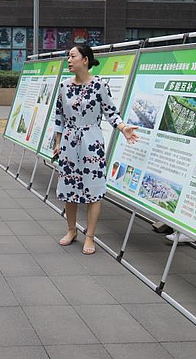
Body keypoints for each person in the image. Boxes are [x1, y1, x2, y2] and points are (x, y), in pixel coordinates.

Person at [53, 44, 138, 255]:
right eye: (68, 56)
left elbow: (111, 112)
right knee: (69, 189)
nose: (69, 60)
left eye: (73, 56)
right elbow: (59, 117)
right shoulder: (64, 86)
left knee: (94, 190)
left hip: (92, 142)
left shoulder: (100, 85)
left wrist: (123, 128)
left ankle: (90, 236)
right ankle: (71, 230)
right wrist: (58, 142)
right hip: (69, 143)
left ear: (85, 60)